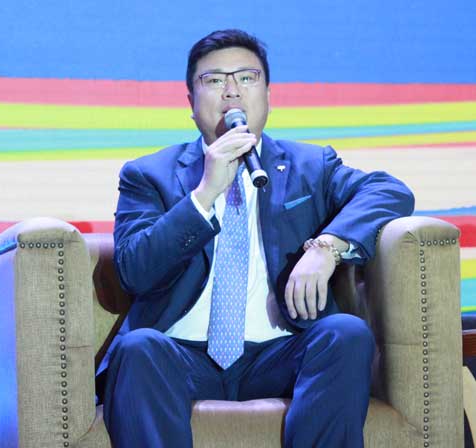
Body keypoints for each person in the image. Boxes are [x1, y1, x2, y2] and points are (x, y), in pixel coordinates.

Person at [100, 29, 415, 447]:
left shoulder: (310, 165)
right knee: (138, 348)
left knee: (345, 333)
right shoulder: (148, 175)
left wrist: (327, 248)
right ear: (191, 102)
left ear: (268, 95)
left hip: (281, 354)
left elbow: (388, 191)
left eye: (247, 78)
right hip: (180, 356)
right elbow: (134, 272)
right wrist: (203, 195)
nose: (232, 91)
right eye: (214, 80)